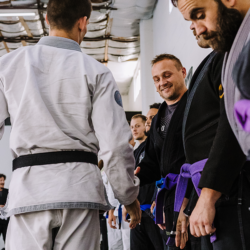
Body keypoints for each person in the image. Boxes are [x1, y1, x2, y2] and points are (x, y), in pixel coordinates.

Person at [0, 0, 141, 249]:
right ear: (83, 22)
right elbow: (116, 146)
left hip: (28, 191)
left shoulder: (8, 65)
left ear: (46, 20)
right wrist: (127, 196)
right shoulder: (96, 71)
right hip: (79, 193)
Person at [171, 0, 250, 249]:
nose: (198, 28)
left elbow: (231, 128)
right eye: (191, 22)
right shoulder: (229, 53)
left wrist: (209, 192)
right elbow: (241, 122)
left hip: (231, 186)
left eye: (200, 14)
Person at [135, 54, 188, 249]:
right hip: (170, 200)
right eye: (156, 79)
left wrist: (189, 201)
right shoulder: (159, 117)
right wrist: (136, 177)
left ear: (182, 73)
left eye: (167, 75)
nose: (162, 83)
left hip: (193, 196)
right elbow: (153, 162)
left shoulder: (195, 106)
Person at [127, 114, 164, 250]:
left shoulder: (152, 148)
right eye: (132, 127)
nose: (134, 129)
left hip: (152, 210)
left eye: (138, 126)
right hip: (138, 210)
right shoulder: (134, 153)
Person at [0, 174, 8, 245]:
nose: (2, 182)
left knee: (7, 239)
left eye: (3, 180)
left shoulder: (8, 192)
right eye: (1, 180)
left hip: (6, 221)